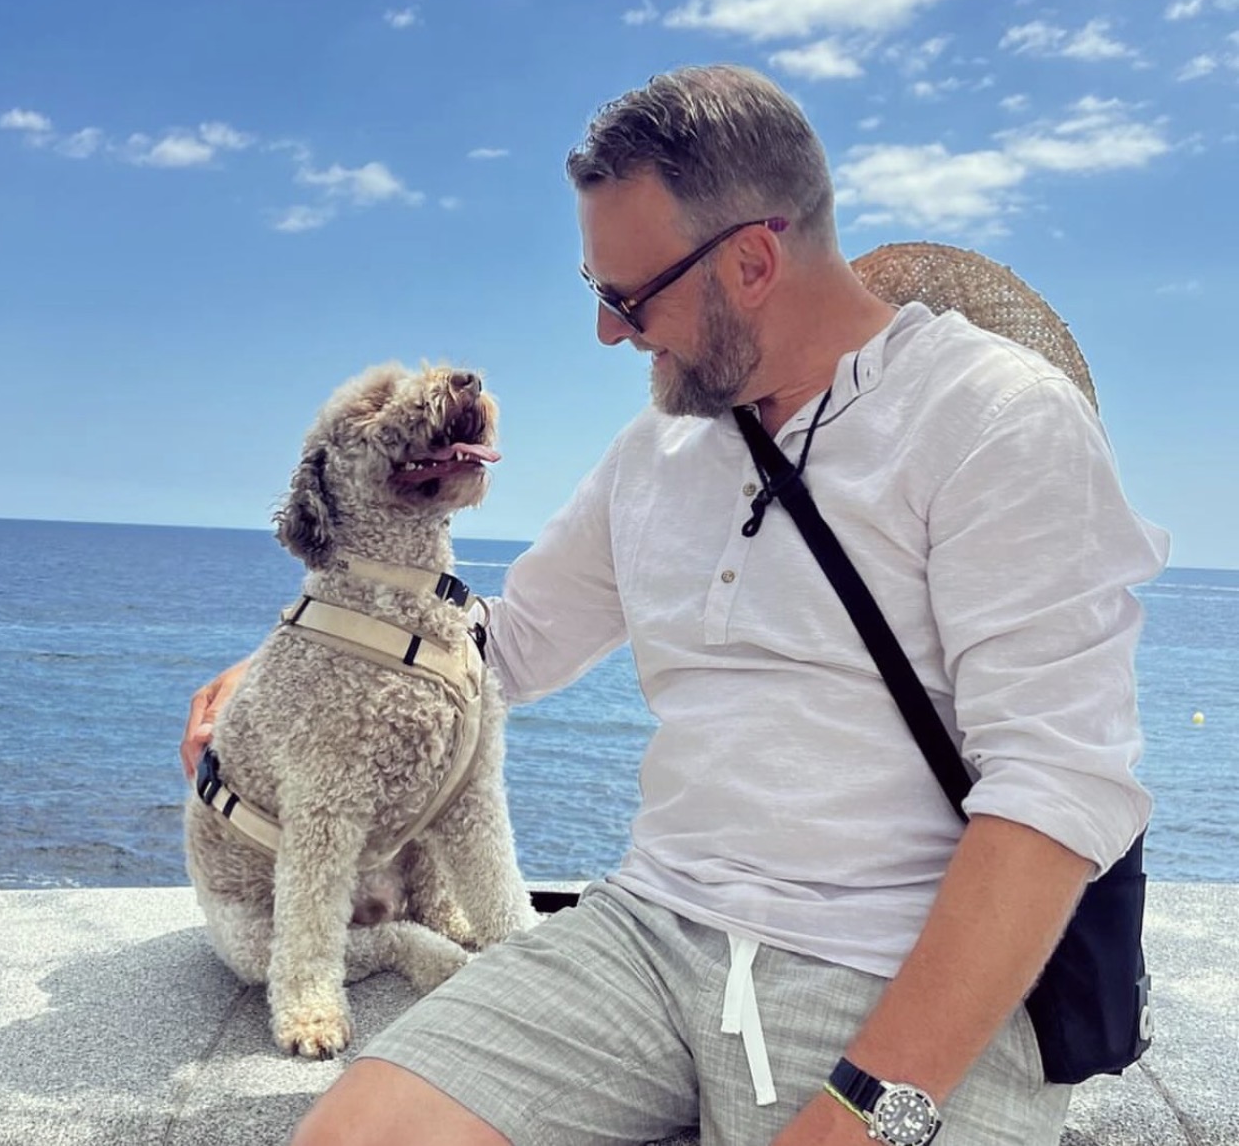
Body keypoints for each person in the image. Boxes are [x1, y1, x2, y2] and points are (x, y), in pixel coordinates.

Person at [181, 64, 1167, 1146]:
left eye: (627, 296)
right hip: (648, 934)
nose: (609, 333)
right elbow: (505, 645)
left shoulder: (996, 419)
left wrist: (870, 1106)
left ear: (752, 261)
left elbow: (1056, 786)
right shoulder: (655, 450)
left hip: (897, 966)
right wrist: (279, 679)